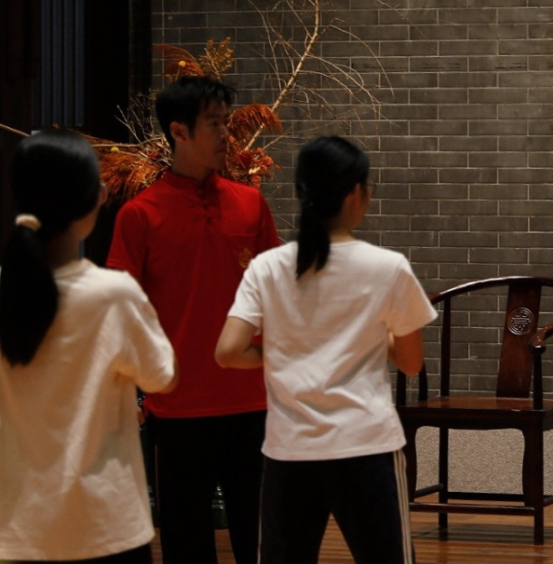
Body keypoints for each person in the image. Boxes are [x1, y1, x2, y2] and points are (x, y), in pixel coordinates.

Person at [216, 136, 437, 564]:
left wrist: (279, 351)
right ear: (356, 194)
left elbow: (228, 351)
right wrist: (372, 336)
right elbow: (412, 363)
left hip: (289, 449)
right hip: (366, 445)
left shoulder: (267, 267)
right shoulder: (388, 267)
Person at [106, 75, 279, 564]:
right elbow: (120, 310)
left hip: (253, 402)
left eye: (226, 122)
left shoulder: (250, 203)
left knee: (263, 541)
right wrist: (126, 389)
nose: (227, 134)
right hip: (177, 407)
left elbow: (279, 295)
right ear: (179, 131)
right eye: (214, 124)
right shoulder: (139, 215)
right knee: (186, 543)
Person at [0, 130, 177, 563]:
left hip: (18, 527)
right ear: (92, 199)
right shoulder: (113, 294)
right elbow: (162, 376)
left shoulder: (7, 290)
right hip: (106, 524)